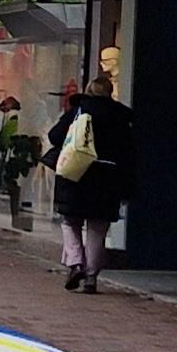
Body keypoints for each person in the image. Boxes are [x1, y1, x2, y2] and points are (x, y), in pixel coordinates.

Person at [45, 75, 135, 290]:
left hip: (77, 172)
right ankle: (91, 278)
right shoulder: (121, 116)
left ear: (89, 90)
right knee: (98, 228)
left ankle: (75, 262)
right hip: (108, 177)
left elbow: (55, 136)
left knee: (70, 221)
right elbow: (130, 152)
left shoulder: (79, 111)